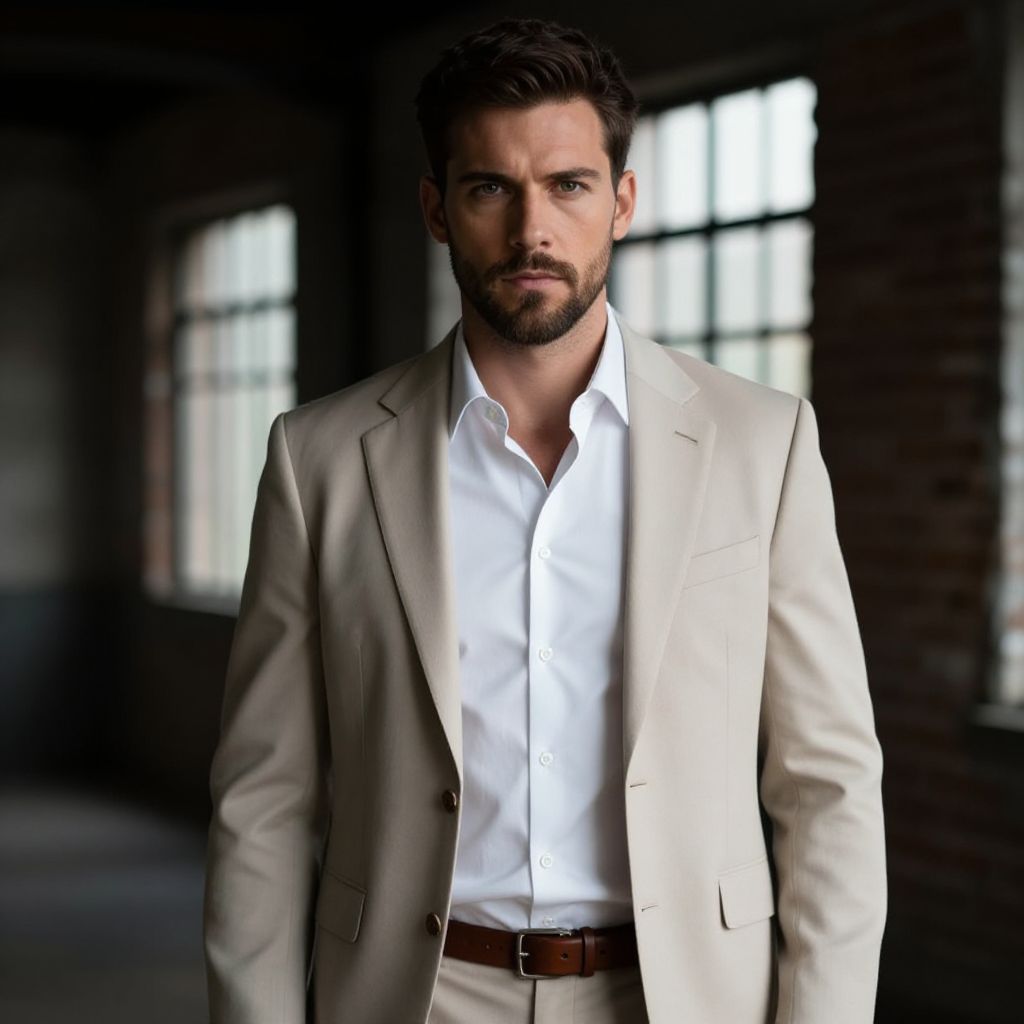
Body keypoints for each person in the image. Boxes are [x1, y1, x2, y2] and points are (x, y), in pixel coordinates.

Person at [202, 16, 887, 1024]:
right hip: (416, 996)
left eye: (568, 186)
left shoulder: (761, 443)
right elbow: (263, 798)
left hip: (679, 994)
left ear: (621, 201)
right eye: (490, 189)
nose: (533, 231)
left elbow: (827, 781)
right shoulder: (320, 460)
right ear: (437, 208)